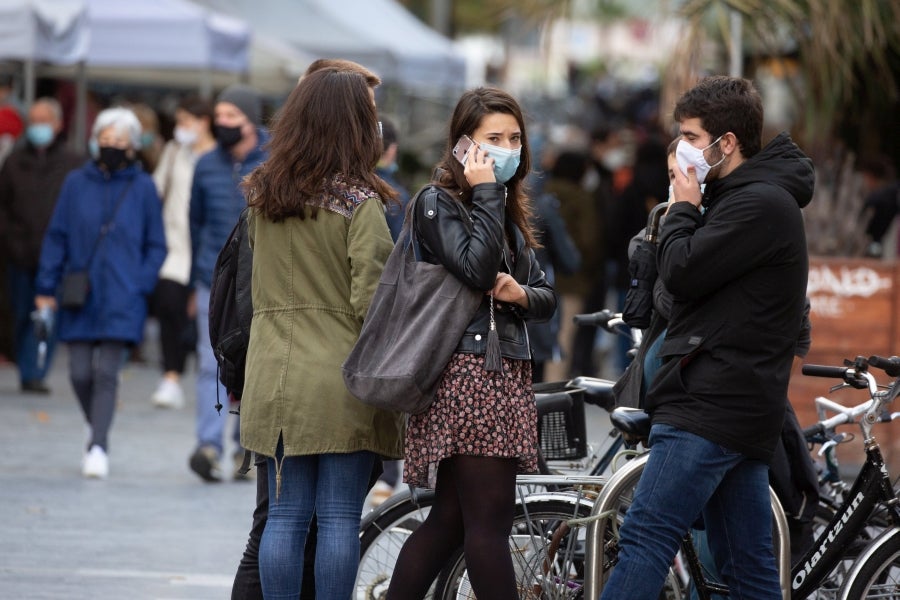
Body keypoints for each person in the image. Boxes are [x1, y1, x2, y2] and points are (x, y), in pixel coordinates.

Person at [599, 76, 814, 600]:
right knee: (748, 570)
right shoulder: (739, 198)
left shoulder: (759, 204)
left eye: (691, 137)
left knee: (646, 536)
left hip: (710, 405)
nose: (682, 148)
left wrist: (682, 207)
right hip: (733, 406)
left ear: (727, 143)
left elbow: (683, 271)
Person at [237, 62, 404, 600]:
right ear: (356, 125)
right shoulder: (361, 204)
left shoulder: (262, 196)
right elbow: (372, 303)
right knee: (336, 519)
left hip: (272, 374)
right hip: (339, 378)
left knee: (283, 518)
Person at [385, 87, 557, 600]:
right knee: (489, 522)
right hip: (468, 376)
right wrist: (485, 191)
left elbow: (546, 295)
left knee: (454, 520)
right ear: (465, 146)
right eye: (493, 138)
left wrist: (523, 294)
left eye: (514, 138)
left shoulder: (506, 207)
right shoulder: (439, 203)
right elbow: (478, 268)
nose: (507, 147)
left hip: (499, 372)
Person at [33, 106, 167, 479]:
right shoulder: (76, 183)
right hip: (81, 292)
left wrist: (141, 283)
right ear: (95, 141)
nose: (111, 146)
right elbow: (57, 236)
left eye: (119, 141)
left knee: (107, 372)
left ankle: (97, 445)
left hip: (124, 295)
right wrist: (46, 286)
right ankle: (97, 426)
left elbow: (156, 244)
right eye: (105, 139)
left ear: (132, 146)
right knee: (78, 373)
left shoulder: (142, 188)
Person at [188, 84, 268, 483]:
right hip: (212, 278)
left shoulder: (274, 160)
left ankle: (245, 445)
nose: (223, 125)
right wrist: (194, 280)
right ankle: (208, 445)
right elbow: (195, 223)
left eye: (231, 118)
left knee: (254, 366)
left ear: (250, 120)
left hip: (261, 281)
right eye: (218, 118)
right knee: (209, 364)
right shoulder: (205, 165)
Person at [0, 97, 83, 393]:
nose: (39, 127)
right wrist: (10, 239)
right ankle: (25, 365)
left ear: (58, 124)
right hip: (19, 252)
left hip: (56, 255)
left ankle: (35, 370)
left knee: (48, 316)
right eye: (33, 120)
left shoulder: (73, 163)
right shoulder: (14, 161)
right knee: (21, 311)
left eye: (44, 120)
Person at [149, 96, 216, 409]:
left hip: (203, 248)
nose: (180, 128)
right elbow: (156, 190)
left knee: (201, 317)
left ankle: (208, 375)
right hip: (172, 246)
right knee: (169, 305)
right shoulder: (175, 152)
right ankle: (171, 376)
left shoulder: (217, 156)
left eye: (185, 121)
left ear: (203, 122)